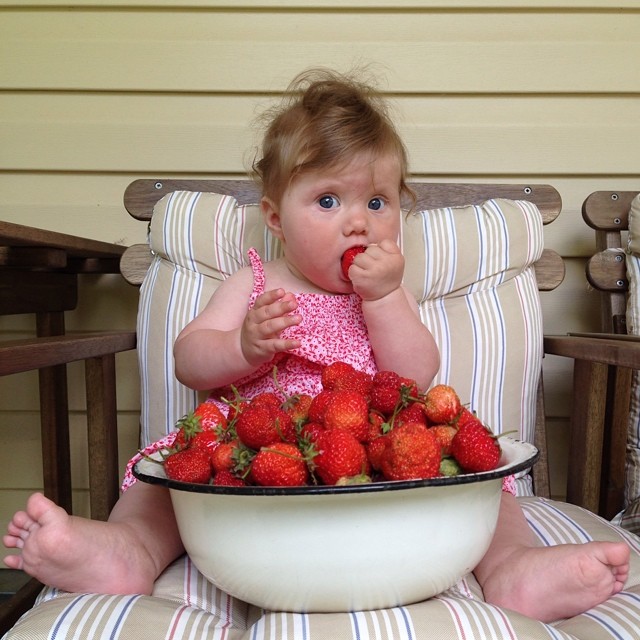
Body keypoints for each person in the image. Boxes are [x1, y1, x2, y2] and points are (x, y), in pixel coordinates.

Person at [3, 68, 630, 624]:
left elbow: (416, 376)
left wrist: (383, 299)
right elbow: (190, 359)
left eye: (378, 202)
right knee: (171, 477)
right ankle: (126, 552)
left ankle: (515, 568)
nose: (359, 221)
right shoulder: (255, 281)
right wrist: (244, 346)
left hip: (373, 448)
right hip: (257, 444)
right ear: (276, 218)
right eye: (328, 200)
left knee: (479, 480)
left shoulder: (389, 291)